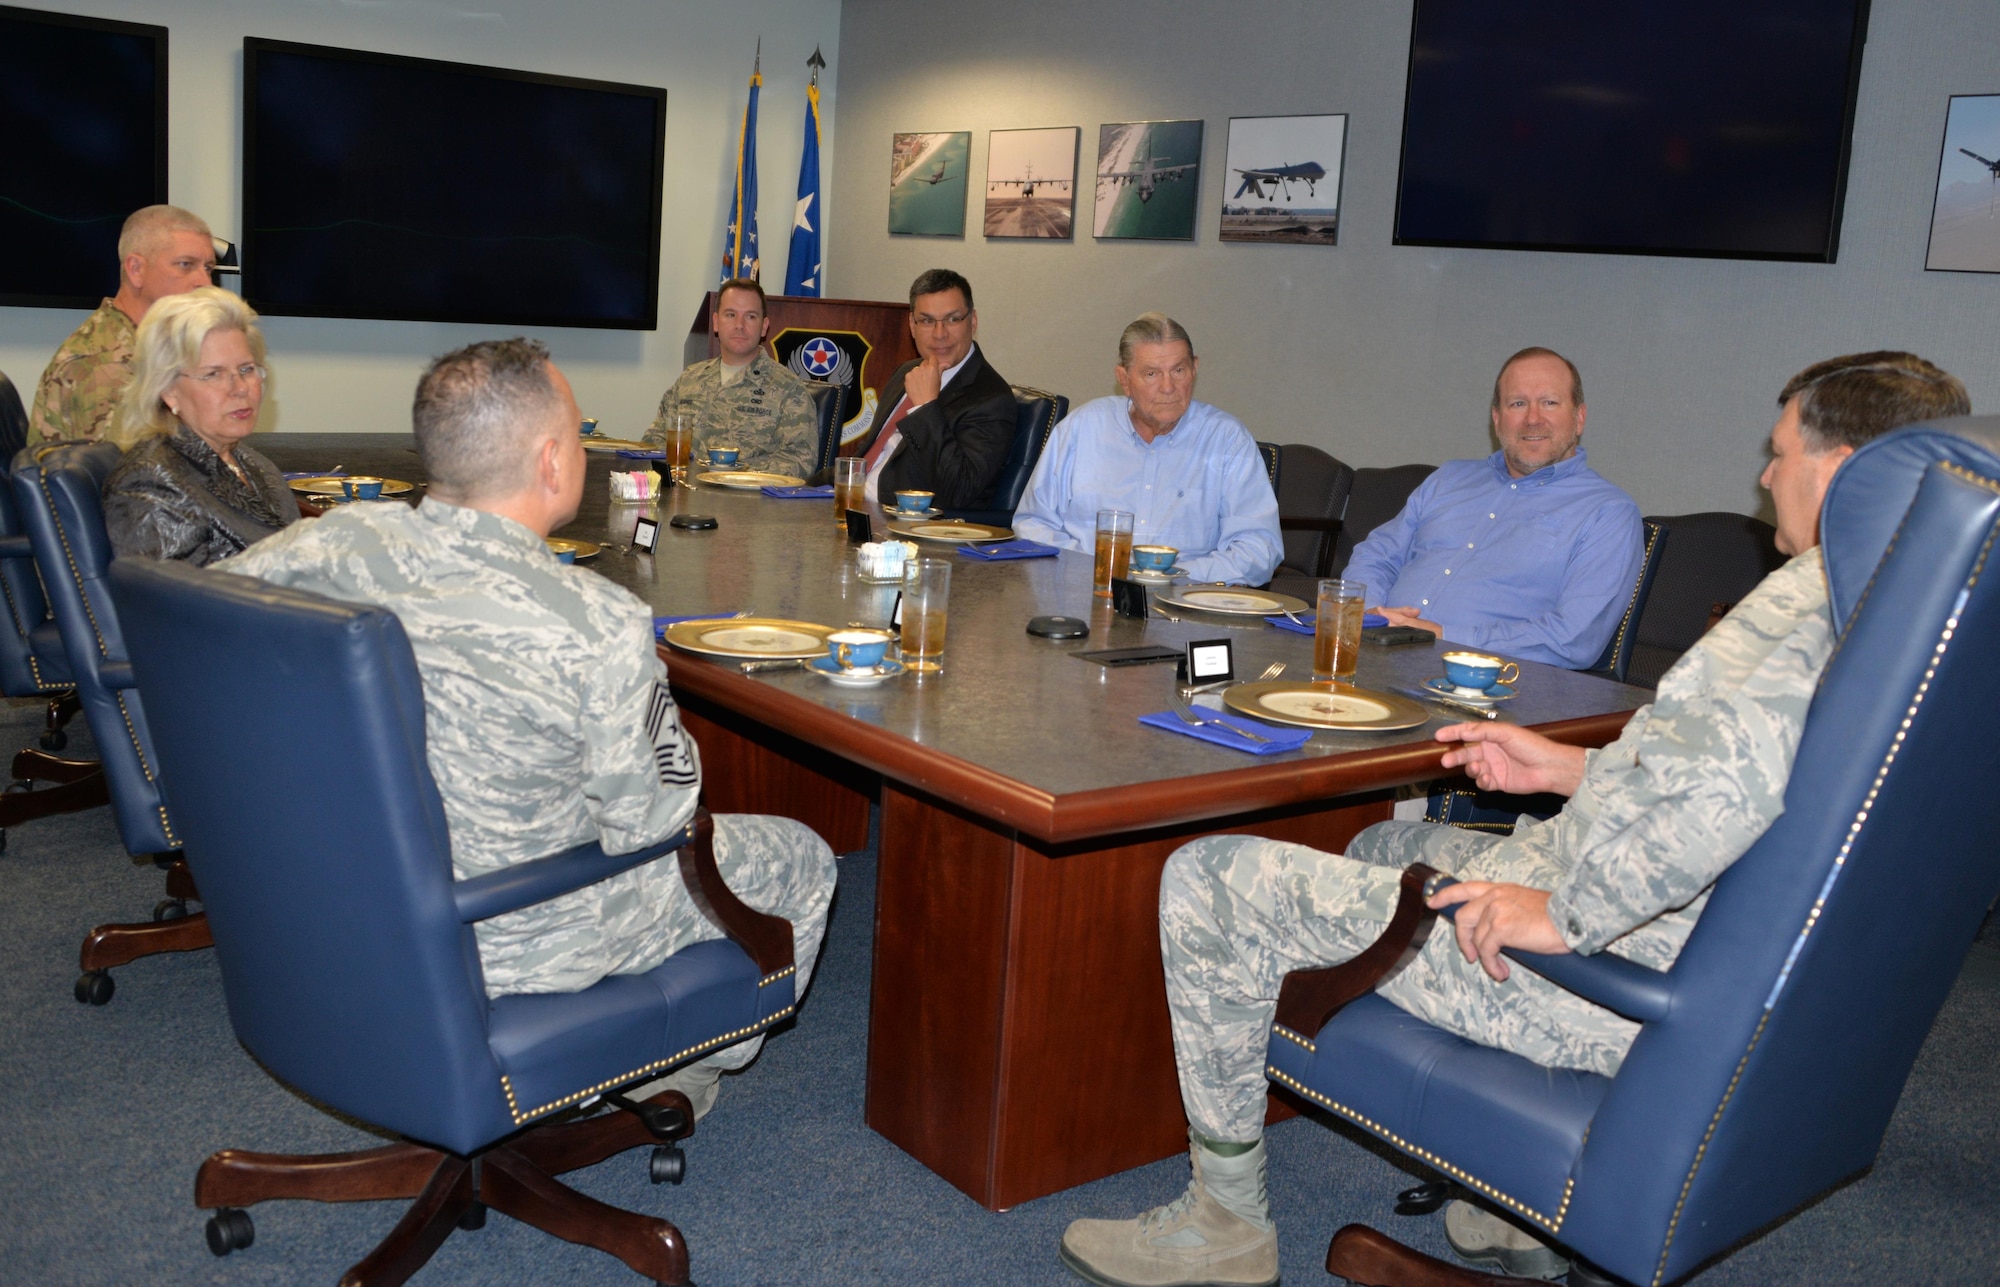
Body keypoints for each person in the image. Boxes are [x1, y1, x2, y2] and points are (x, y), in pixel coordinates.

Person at [1057, 351, 1969, 1287]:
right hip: (1704, 963)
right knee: (1385, 840)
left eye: (1781, 454)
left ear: (1848, 469)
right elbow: (1748, 795)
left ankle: (1224, 1224)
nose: (1765, 473)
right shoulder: (1909, 624)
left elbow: (1719, 799)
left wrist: (1560, 916)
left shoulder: (1801, 616)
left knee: (1207, 876)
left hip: (1603, 979)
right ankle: (1515, 1208)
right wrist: (1577, 766)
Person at [223, 337, 837, 1118]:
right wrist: (679, 750)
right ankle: (679, 1066)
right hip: (519, 935)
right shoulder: (597, 620)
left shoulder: (334, 540)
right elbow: (654, 822)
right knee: (805, 857)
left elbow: (202, 615)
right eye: (579, 432)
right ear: (553, 460)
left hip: (337, 893)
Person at [1340, 348, 1643, 669]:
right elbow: (1376, 555)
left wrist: (1442, 635)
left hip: (1488, 682)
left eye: (1550, 402)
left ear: (1579, 417)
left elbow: (1574, 637)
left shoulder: (1608, 512)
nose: (1533, 418)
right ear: (1497, 419)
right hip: (1377, 653)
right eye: (1518, 403)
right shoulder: (1449, 478)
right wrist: (1371, 614)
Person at [1012, 313, 1282, 586]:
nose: (1168, 387)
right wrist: (1096, 568)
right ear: (1124, 379)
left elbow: (1259, 549)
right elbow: (1033, 524)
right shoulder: (1082, 428)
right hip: (1082, 596)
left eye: (1179, 370)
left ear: (1195, 369)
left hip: (1185, 608)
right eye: (1152, 374)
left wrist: (1175, 576)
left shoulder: (1227, 440)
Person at [100, 287, 297, 566]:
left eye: (246, 369)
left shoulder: (255, 465)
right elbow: (171, 603)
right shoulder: (150, 482)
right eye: (213, 374)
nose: (240, 388)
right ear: (168, 390)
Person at [825, 268, 1016, 511]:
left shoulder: (991, 399)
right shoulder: (908, 371)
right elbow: (871, 457)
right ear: (912, 326)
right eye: (927, 321)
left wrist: (925, 408)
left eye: (952, 319)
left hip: (900, 526)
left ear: (973, 322)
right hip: (851, 504)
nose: (939, 334)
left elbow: (959, 491)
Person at [31, 205, 218, 445]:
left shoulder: (149, 347)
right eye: (185, 265)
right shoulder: (103, 366)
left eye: (208, 268)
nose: (204, 282)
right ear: (136, 269)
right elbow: (127, 477)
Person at [647, 277, 819, 478]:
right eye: (730, 314)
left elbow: (800, 461)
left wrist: (734, 473)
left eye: (750, 317)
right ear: (716, 322)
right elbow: (654, 440)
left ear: (764, 326)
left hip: (747, 504)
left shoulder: (789, 390)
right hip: (683, 497)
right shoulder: (689, 380)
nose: (739, 325)